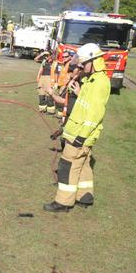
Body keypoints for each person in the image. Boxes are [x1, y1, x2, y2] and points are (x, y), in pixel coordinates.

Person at [44, 43, 110, 212]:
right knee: (83, 164)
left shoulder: (99, 83)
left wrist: (81, 137)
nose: (80, 66)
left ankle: (63, 202)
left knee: (67, 166)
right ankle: (85, 196)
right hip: (78, 132)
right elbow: (86, 105)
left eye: (84, 63)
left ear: (94, 61)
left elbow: (95, 113)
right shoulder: (92, 80)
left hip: (80, 135)